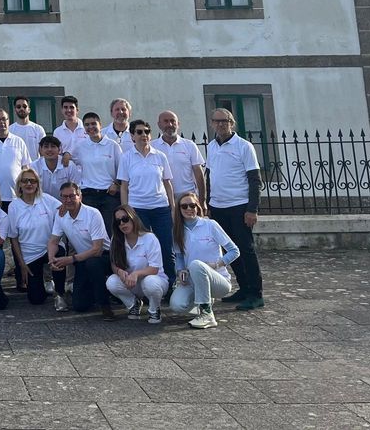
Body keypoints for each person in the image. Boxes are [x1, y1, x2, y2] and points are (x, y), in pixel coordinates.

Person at [205, 108, 265, 310]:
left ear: (232, 123)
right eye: (217, 121)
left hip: (239, 206)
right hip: (218, 206)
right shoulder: (212, 146)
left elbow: (254, 180)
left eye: (225, 121)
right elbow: (210, 176)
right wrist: (208, 203)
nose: (221, 124)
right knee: (231, 250)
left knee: (246, 250)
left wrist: (252, 209)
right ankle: (244, 288)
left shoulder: (244, 146)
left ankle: (256, 294)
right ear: (212, 123)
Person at [117, 118, 176, 287]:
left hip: (160, 208)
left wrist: (172, 208)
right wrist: (126, 210)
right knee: (141, 248)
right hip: (137, 210)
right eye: (139, 132)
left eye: (147, 132)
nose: (144, 135)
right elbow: (124, 187)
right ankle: (143, 284)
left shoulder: (160, 156)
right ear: (132, 136)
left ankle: (171, 283)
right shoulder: (126, 157)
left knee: (166, 247)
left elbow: (167, 183)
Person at [169, 191, 240, 329]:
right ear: (179, 209)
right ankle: (203, 301)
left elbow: (234, 251)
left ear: (198, 207)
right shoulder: (177, 230)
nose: (189, 209)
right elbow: (179, 257)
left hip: (218, 280)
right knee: (177, 305)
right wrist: (180, 271)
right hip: (193, 281)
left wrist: (216, 264)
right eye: (184, 206)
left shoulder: (210, 225)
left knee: (196, 264)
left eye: (192, 205)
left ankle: (207, 315)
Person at [48, 182, 113, 318]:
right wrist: (52, 259)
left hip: (106, 257)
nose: (68, 200)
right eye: (64, 197)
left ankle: (105, 305)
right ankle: (99, 291)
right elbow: (53, 241)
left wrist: (71, 259)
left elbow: (97, 249)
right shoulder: (61, 215)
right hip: (83, 259)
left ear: (80, 196)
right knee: (79, 305)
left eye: (72, 196)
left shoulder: (93, 214)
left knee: (93, 263)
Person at [105, 205, 169, 324]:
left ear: (133, 217)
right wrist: (119, 271)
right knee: (111, 282)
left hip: (154, 281)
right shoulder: (116, 239)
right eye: (118, 222)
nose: (122, 224)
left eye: (125, 219)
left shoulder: (149, 238)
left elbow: (154, 269)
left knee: (150, 282)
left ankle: (154, 309)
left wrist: (136, 274)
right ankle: (133, 304)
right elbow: (114, 264)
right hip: (132, 283)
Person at [8, 167, 61, 306]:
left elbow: (64, 210)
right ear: (19, 184)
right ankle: (42, 284)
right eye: (25, 181)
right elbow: (13, 238)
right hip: (31, 255)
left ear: (38, 184)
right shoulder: (14, 206)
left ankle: (60, 293)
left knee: (60, 254)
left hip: (51, 249)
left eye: (32, 181)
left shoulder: (46, 199)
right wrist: (22, 265)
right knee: (36, 299)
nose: (29, 184)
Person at [69, 113, 121, 219]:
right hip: (88, 194)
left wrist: (116, 184)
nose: (90, 127)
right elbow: (70, 160)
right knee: (90, 229)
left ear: (100, 125)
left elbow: (122, 169)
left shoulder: (112, 145)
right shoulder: (80, 147)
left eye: (93, 124)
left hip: (109, 194)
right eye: (87, 125)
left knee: (110, 230)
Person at [152, 110, 206, 201]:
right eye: (166, 121)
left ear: (178, 124)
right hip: (162, 198)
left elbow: (199, 174)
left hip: (187, 198)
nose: (170, 124)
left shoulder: (189, 145)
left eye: (173, 121)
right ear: (159, 125)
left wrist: (202, 199)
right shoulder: (152, 147)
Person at [9, 96, 46, 160]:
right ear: (15, 110)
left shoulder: (38, 129)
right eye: (18, 107)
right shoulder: (10, 130)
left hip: (34, 168)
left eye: (24, 106)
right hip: (16, 168)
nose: (21, 109)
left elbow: (43, 152)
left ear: (29, 109)